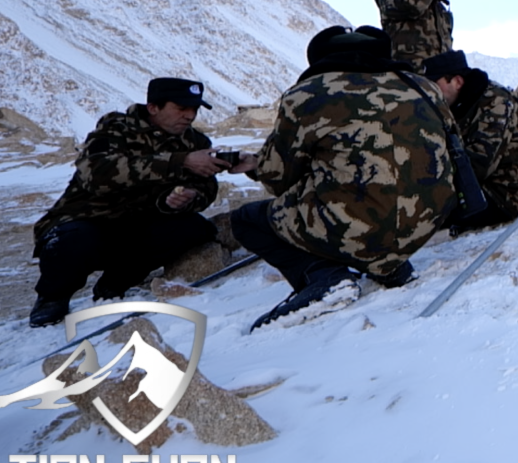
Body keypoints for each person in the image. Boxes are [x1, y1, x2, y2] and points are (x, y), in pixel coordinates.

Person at [230, 26, 461, 328]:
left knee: (247, 220)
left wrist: (257, 165)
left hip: (366, 225)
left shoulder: (308, 94)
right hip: (426, 221)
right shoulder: (422, 87)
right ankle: (387, 265)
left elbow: (278, 178)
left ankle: (325, 277)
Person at [28, 78, 232, 327]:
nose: (189, 116)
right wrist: (178, 161)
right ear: (154, 107)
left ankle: (117, 283)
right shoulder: (116, 129)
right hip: (90, 219)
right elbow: (96, 174)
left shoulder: (195, 142)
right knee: (71, 240)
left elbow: (206, 187)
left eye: (193, 109)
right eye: (181, 108)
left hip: (141, 223)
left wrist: (181, 200)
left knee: (194, 228)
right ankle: (52, 298)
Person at [421, 50, 518, 230]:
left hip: (501, 194)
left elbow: (479, 164)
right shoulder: (451, 104)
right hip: (466, 186)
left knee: (419, 212)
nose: (430, 93)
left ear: (458, 82)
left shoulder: (497, 102)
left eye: (434, 85)